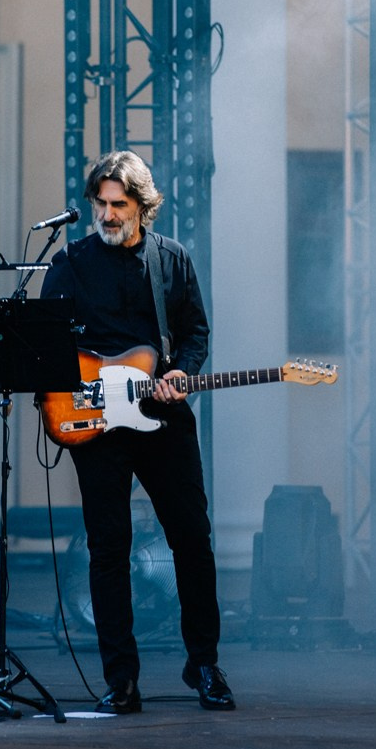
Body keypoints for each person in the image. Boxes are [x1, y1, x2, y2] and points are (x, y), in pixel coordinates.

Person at [39, 150, 235, 712]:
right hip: (96, 424)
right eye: (99, 203)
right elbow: (46, 347)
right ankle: (120, 679)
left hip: (163, 418)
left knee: (192, 540)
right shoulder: (70, 263)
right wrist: (79, 387)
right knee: (108, 550)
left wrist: (182, 372)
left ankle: (204, 664)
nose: (106, 214)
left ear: (142, 207)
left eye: (118, 205)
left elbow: (196, 332)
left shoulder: (171, 259)